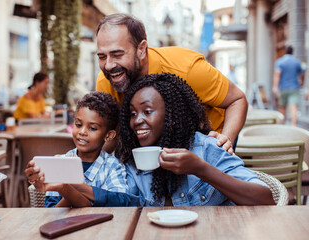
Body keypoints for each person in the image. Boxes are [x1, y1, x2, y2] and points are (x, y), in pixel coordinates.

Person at [96, 13, 248, 154]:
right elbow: (113, 134)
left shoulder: (186, 69)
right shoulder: (106, 80)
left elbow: (237, 100)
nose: (108, 65)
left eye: (117, 54)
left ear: (141, 49)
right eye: (102, 57)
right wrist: (87, 158)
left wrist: (226, 139)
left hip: (210, 144)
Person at [116, 73, 275, 206]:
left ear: (172, 115)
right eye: (133, 113)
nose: (137, 120)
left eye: (147, 111)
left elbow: (265, 199)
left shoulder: (207, 148)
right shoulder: (133, 160)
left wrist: (200, 169)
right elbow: (124, 206)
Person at [25, 91, 136, 207]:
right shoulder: (60, 163)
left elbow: (121, 202)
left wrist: (76, 186)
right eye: (78, 125)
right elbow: (53, 212)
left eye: (92, 128)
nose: (82, 132)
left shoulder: (113, 166)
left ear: (108, 135)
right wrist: (66, 188)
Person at [273, 46, 305, 126]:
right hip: (294, 88)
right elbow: (302, 74)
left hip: (283, 88)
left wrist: (275, 86)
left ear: (285, 52)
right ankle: (293, 126)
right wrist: (301, 81)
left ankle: (282, 125)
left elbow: (277, 74)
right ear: (292, 52)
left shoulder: (280, 61)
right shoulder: (296, 62)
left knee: (282, 107)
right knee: (293, 108)